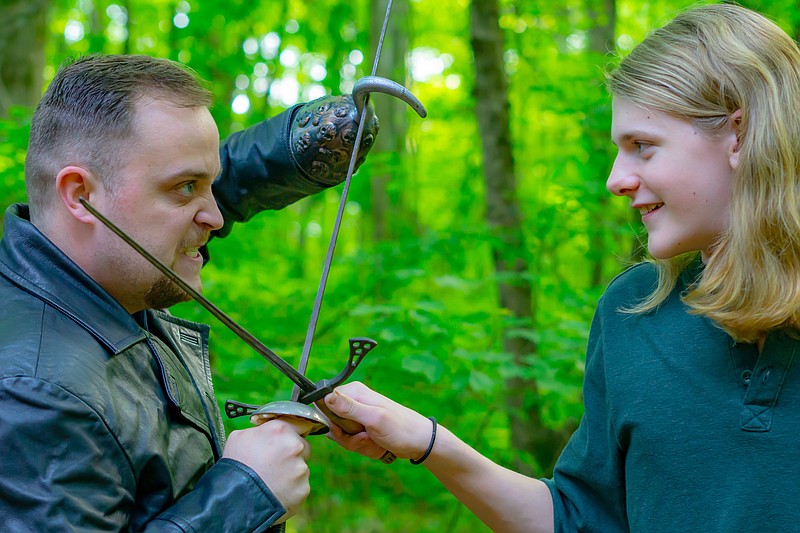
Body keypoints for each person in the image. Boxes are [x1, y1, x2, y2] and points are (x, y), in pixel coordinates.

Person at [322, 4, 800, 532]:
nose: (616, 179)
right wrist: (427, 441)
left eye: (642, 147)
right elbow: (579, 520)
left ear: (740, 133)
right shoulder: (632, 312)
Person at [0, 54, 376, 531]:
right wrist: (244, 494)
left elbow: (177, 188)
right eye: (187, 187)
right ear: (81, 197)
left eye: (210, 185)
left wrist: (289, 150)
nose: (215, 217)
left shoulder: (107, 278)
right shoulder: (34, 394)